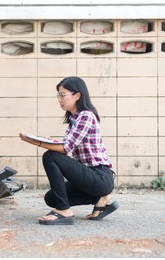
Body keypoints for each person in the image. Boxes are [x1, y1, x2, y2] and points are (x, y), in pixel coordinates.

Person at [19, 76, 118, 225]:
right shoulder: (74, 120)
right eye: (58, 95)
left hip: (100, 176)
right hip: (89, 177)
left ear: (77, 95)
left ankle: (64, 211)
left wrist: (37, 142)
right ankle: (99, 199)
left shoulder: (86, 116)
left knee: (50, 156)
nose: (59, 99)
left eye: (63, 95)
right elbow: (66, 148)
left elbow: (65, 148)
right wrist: (48, 141)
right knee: (51, 198)